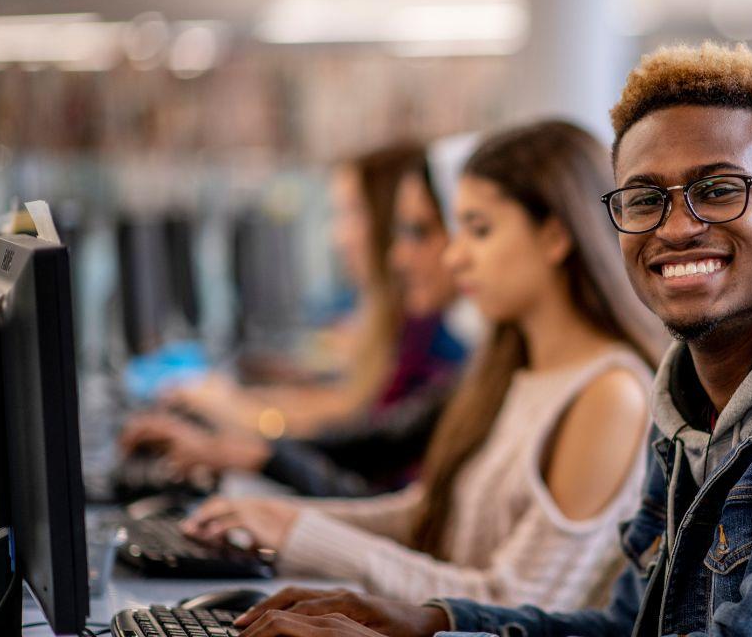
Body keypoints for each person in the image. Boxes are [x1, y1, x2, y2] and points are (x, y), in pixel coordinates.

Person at [230, 42, 752, 637]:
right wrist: (428, 622)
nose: (675, 226)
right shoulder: (692, 395)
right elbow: (624, 629)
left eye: (717, 189)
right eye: (645, 198)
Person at [181, 119, 668, 612]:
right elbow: (428, 515)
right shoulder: (514, 371)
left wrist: (299, 533)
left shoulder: (609, 393)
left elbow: (516, 604)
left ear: (555, 236)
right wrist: (281, 519)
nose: (454, 258)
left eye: (478, 230)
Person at [120, 142, 471, 496]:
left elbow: (364, 447)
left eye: (350, 213)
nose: (336, 236)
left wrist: (249, 425)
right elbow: (365, 435)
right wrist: (246, 435)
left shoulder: (437, 344)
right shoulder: (429, 339)